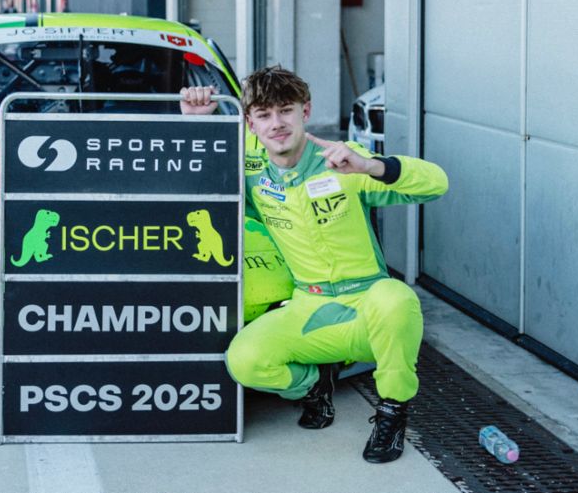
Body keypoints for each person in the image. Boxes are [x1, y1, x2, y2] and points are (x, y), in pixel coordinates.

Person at [181, 67, 449, 463]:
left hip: (367, 308)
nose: (277, 123)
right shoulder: (253, 169)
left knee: (396, 298)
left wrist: (370, 166)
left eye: (286, 111)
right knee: (245, 360)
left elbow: (436, 183)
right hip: (309, 306)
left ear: (305, 111)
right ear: (250, 123)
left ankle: (392, 414)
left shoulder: (341, 161)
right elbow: (201, 184)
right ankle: (315, 385)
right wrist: (198, 126)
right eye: (264, 115)